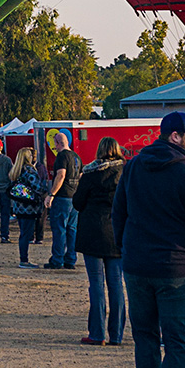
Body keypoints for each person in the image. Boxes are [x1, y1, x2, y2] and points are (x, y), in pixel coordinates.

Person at [114, 111, 185, 368]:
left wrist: (126, 250)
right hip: (177, 270)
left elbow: (118, 214)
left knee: (145, 339)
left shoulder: (133, 166)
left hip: (138, 267)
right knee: (176, 342)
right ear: (175, 136)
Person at [74, 136, 126, 346]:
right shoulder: (125, 173)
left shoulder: (90, 173)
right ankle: (117, 335)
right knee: (116, 284)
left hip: (93, 231)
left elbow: (78, 202)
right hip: (116, 232)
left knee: (96, 283)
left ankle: (97, 333)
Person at [46, 129, 81, 270]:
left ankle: (57, 259)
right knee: (72, 229)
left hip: (62, 197)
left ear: (59, 143)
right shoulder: (77, 157)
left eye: (55, 145)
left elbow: (61, 175)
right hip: (74, 197)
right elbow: (81, 176)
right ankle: (70, 259)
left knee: (59, 229)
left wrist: (52, 194)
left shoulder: (62, 157)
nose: (55, 148)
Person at [9, 146, 49, 267]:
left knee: (23, 233)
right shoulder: (29, 171)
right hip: (29, 208)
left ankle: (23, 258)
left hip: (18, 207)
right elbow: (38, 187)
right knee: (27, 234)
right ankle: (24, 260)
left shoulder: (15, 171)